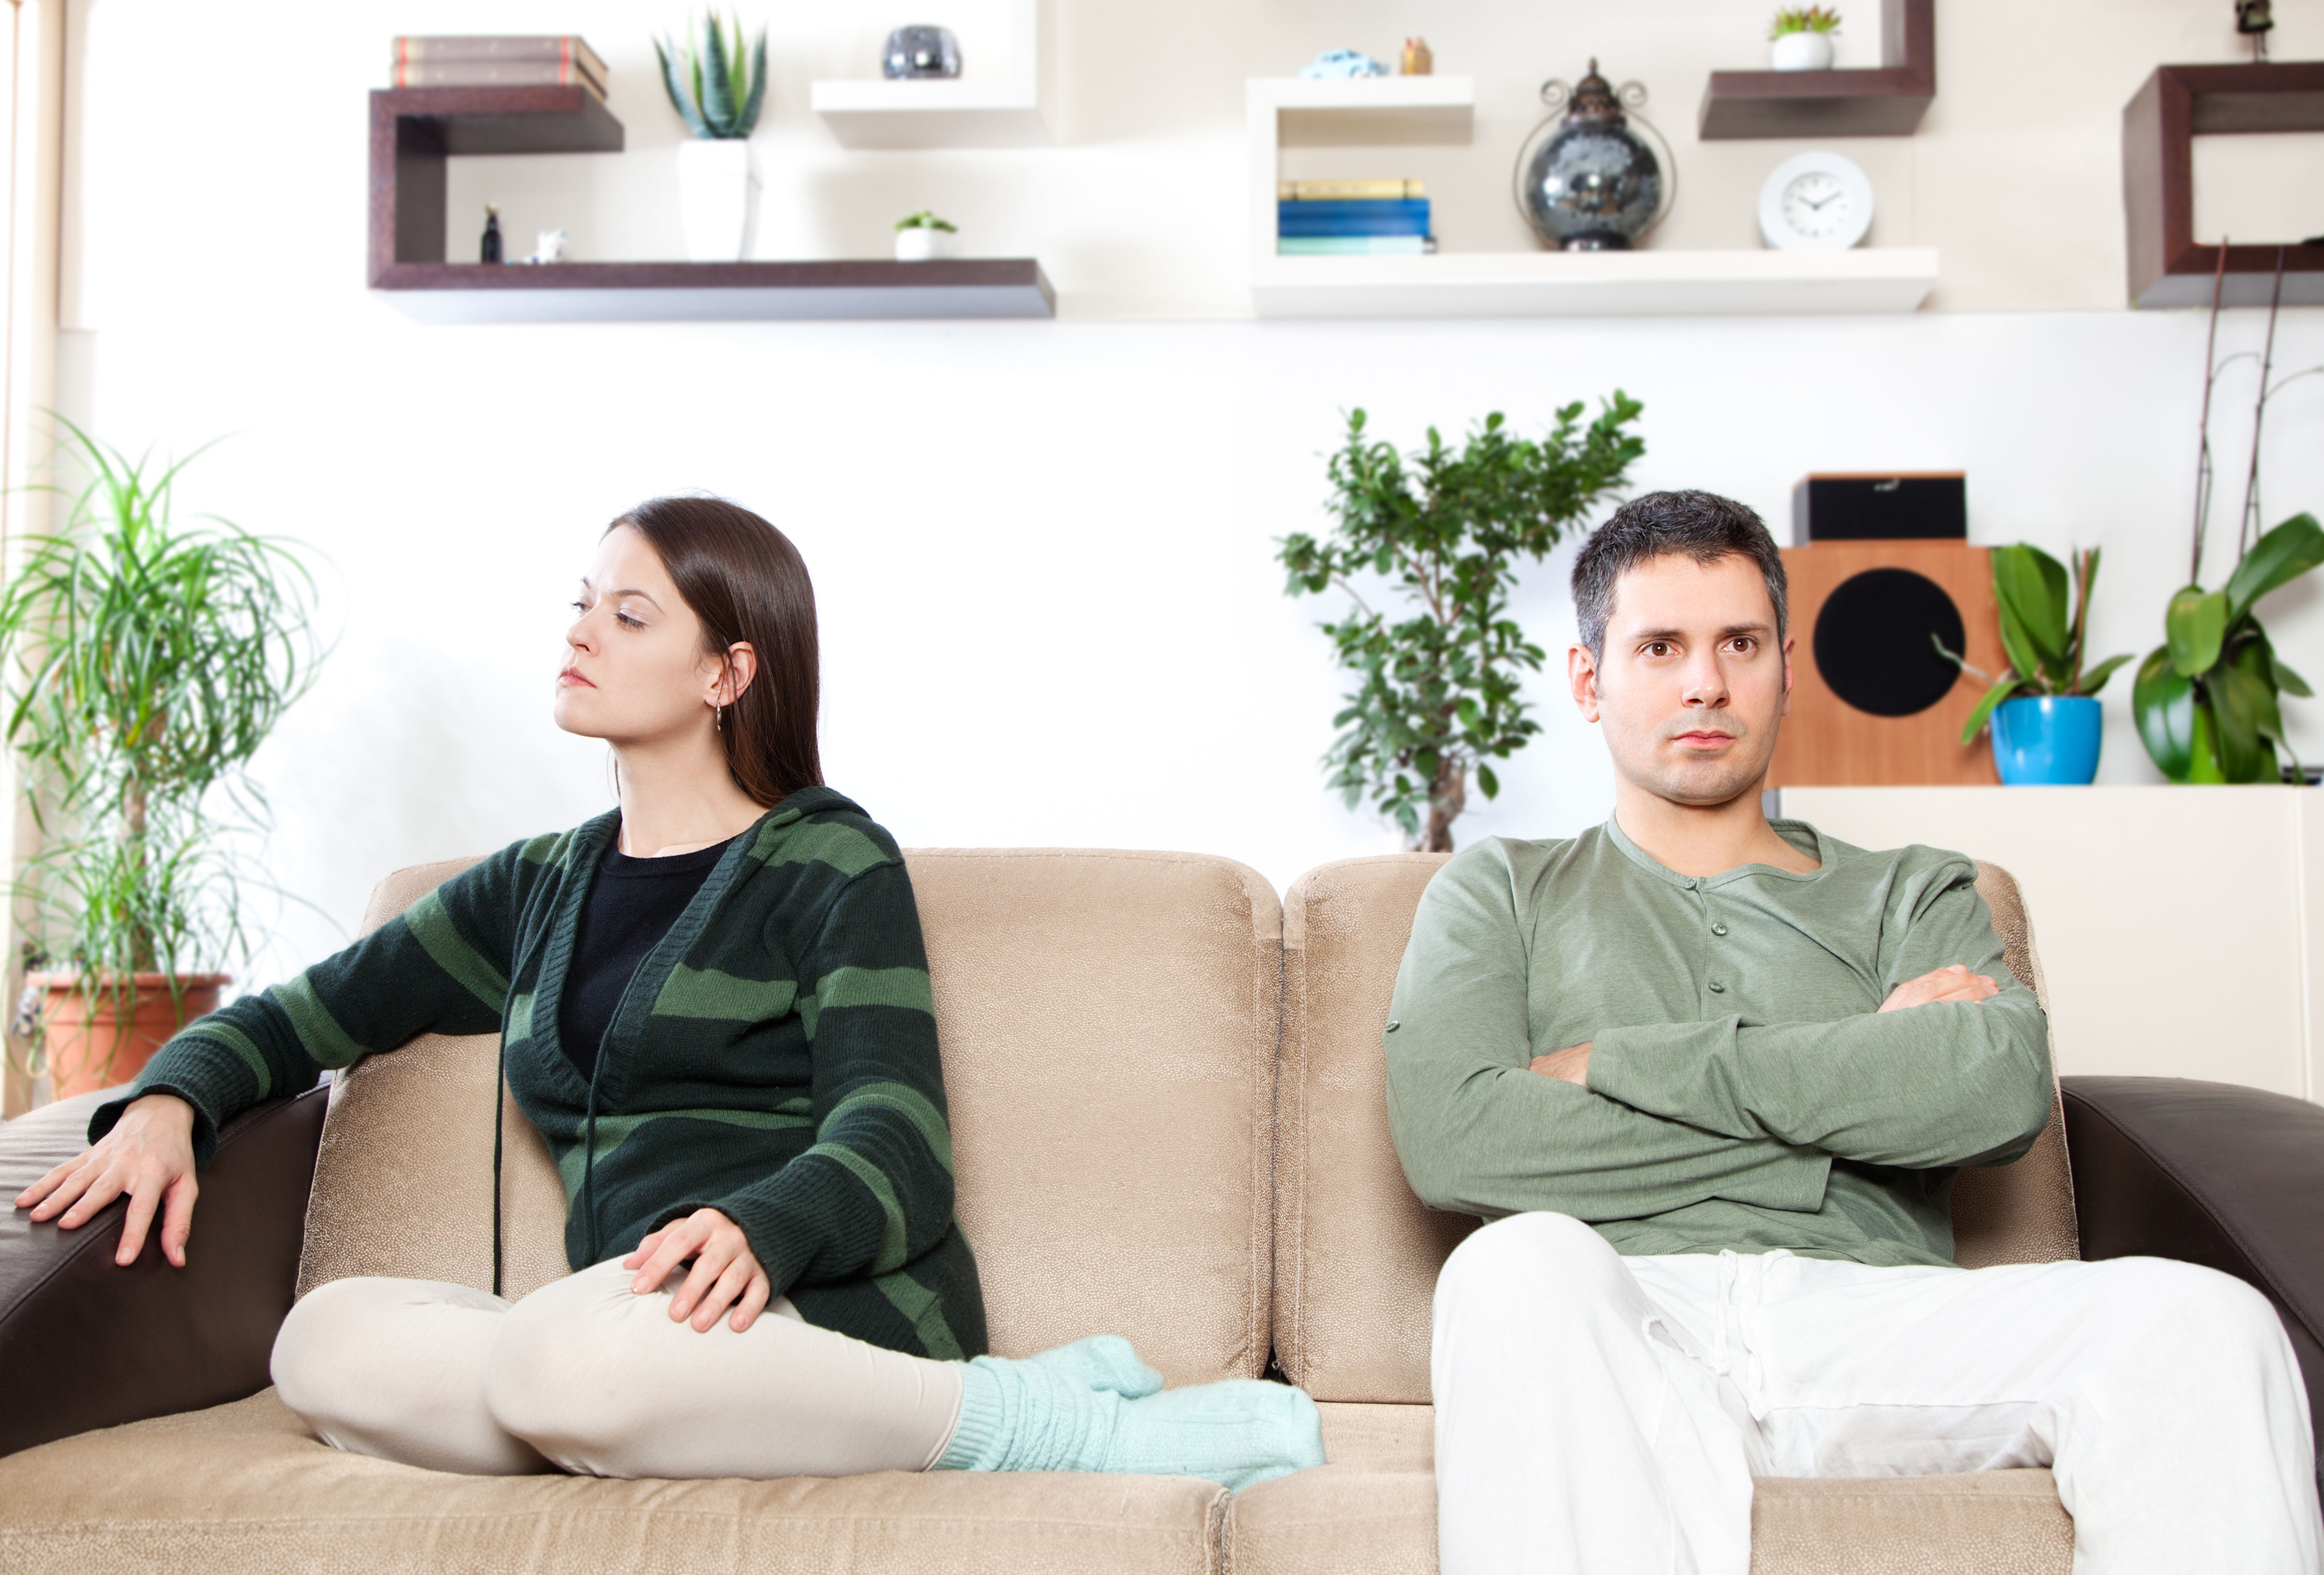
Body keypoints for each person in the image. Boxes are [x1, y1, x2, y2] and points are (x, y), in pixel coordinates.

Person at [15, 495, 1324, 1488]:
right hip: (623, 1327)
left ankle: (1035, 1422)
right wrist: (169, 1102)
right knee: (324, 1342)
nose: (581, 632)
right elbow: (303, 1015)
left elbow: (899, 1142)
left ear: (726, 674)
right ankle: (610, 1407)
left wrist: (758, 1226)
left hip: (816, 1311)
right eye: (583, 602)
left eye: (629, 616)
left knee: (561, 1355)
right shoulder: (535, 886)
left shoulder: (826, 859)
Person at [1385, 490, 2322, 1575]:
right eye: (1661, 647)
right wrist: (1846, 1105)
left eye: (1740, 644)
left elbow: (1995, 1088)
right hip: (1620, 1312)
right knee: (1511, 1265)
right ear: (1590, 681)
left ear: (1787, 667)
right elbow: (1457, 1137)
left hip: (1879, 1315)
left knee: (2205, 1322)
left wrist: (1615, 1064)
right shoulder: (1497, 887)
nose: (1705, 684)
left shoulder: (1912, 891)